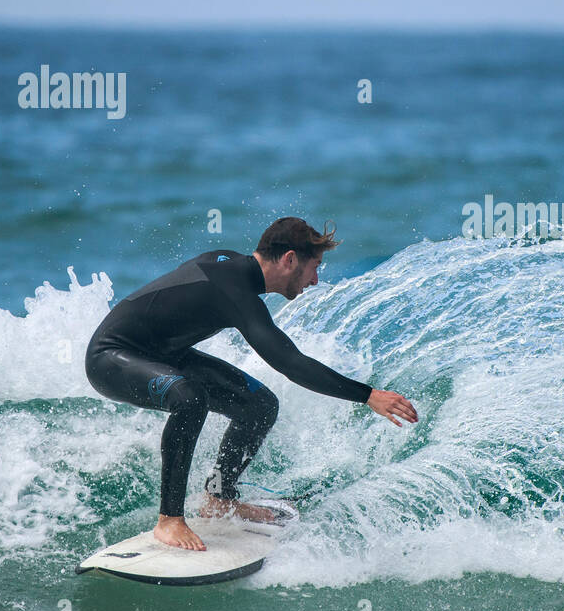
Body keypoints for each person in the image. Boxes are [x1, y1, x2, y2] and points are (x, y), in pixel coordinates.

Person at [84, 217, 418, 551]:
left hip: (165, 355)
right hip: (111, 357)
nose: (315, 280)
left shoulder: (232, 269)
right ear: (289, 259)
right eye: (314, 267)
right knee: (189, 398)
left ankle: (219, 499)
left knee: (258, 404)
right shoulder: (235, 291)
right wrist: (368, 395)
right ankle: (169, 520)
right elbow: (292, 364)